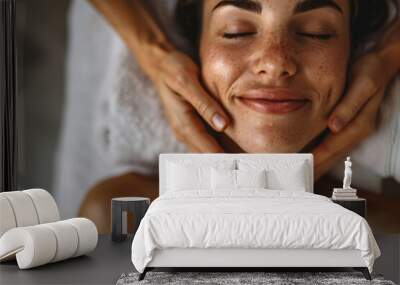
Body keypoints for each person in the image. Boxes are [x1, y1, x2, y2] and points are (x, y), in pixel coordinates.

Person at [54, 0, 399, 232]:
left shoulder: (381, 226)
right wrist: (152, 51)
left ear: (353, 55)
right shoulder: (123, 215)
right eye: (236, 31)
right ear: (196, 54)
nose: (274, 61)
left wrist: (389, 56)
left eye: (316, 32)